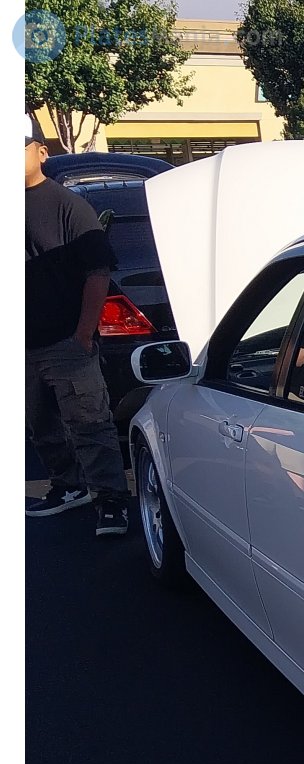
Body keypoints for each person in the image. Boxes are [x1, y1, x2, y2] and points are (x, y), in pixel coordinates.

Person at [24, 114, 131, 535]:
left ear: (41, 152)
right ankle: (67, 486)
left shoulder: (67, 206)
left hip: (66, 341)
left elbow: (98, 271)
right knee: (39, 424)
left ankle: (111, 500)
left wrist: (84, 334)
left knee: (89, 422)